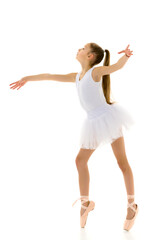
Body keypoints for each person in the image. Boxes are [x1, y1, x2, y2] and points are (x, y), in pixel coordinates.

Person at [9, 42, 139, 230]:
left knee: (122, 163)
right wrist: (26, 78)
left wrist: (126, 56)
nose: (79, 49)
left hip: (108, 118)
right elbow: (49, 76)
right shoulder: (77, 77)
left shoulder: (96, 72)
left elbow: (115, 67)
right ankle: (85, 203)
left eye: (83, 48)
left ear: (90, 56)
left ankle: (131, 205)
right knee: (80, 161)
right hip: (93, 122)